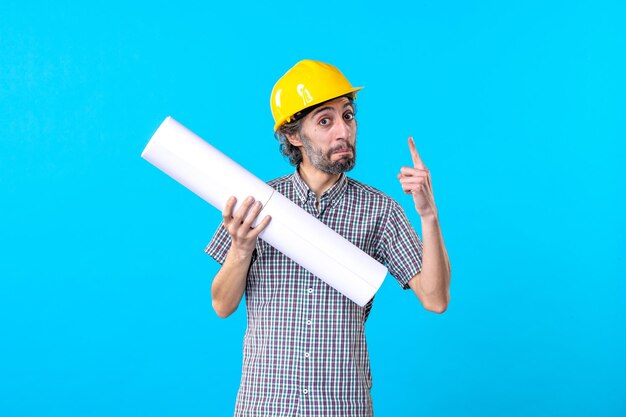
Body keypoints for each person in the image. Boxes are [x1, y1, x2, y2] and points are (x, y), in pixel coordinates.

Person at [205, 59, 451, 417]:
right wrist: (241, 248)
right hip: (265, 405)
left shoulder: (379, 211)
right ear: (293, 135)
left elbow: (436, 298)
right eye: (325, 120)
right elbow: (222, 305)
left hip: (343, 406)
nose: (344, 131)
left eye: (348, 116)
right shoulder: (255, 203)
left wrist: (429, 215)